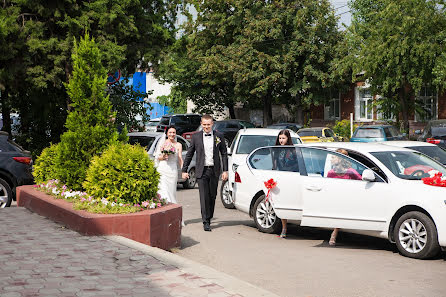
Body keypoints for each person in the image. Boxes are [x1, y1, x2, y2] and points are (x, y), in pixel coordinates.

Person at [182, 115, 228, 231]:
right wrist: (184, 169)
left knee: (212, 196)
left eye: (208, 124)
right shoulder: (196, 137)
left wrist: (225, 170)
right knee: (203, 196)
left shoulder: (219, 136)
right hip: (201, 171)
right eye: (204, 124)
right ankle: (205, 221)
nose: (206, 127)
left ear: (212, 124)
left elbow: (223, 153)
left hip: (214, 170)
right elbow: (190, 153)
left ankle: (209, 216)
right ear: (201, 124)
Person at [327, 148, 362, 246]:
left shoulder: (351, 171)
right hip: (335, 199)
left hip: (349, 199)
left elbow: (361, 182)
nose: (331, 159)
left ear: (340, 159)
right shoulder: (331, 173)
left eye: (333, 157)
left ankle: (334, 233)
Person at [154, 126, 184, 220]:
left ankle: (173, 216)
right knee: (163, 191)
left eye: (174, 132)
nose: (172, 134)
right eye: (170, 132)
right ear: (167, 133)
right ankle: (163, 216)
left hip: (172, 170)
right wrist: (163, 156)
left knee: (171, 192)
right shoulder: (162, 143)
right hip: (163, 169)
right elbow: (157, 157)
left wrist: (183, 169)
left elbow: (179, 158)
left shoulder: (178, 145)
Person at [274, 129, 297, 238]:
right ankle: (284, 227)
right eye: (280, 138)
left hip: (291, 178)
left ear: (288, 138)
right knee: (281, 203)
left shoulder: (293, 150)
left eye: (283, 138)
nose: (281, 140)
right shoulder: (276, 150)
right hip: (279, 178)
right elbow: (275, 164)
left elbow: (296, 165)